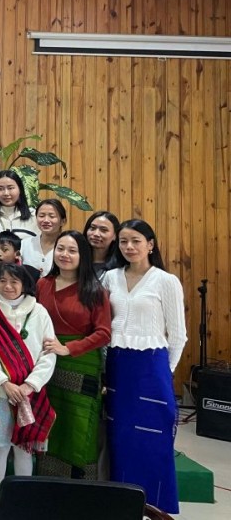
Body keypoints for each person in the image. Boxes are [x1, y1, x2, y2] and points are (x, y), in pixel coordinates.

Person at [101, 220, 186, 514]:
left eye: (136, 241)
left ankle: (155, 506)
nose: (129, 247)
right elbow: (102, 324)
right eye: (124, 241)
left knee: (152, 440)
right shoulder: (110, 278)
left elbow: (178, 334)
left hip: (152, 367)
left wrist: (166, 371)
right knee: (120, 439)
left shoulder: (165, 280)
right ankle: (122, 504)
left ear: (150, 244)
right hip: (117, 366)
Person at [0, 263, 57, 515]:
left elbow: (49, 353)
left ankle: (23, 504)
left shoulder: (39, 312)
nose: (8, 286)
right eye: (2, 281)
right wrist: (4, 382)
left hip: (30, 395)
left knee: (24, 448)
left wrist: (30, 385)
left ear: (25, 284)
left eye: (14, 282)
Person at [36, 231, 112, 479]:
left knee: (80, 428)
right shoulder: (42, 285)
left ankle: (80, 490)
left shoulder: (94, 290)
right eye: (60, 249)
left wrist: (69, 348)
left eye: (72, 250)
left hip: (82, 366)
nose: (65, 255)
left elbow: (103, 333)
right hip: (47, 366)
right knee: (51, 424)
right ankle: (48, 485)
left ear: (83, 256)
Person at [22, 199, 66, 277]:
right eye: (41, 216)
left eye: (52, 216)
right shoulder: (25, 244)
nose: (46, 220)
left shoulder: (67, 247)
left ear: (63, 221)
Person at [83, 210, 120, 277]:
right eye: (92, 228)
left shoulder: (120, 267)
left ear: (115, 235)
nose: (96, 234)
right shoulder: (77, 262)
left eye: (103, 230)